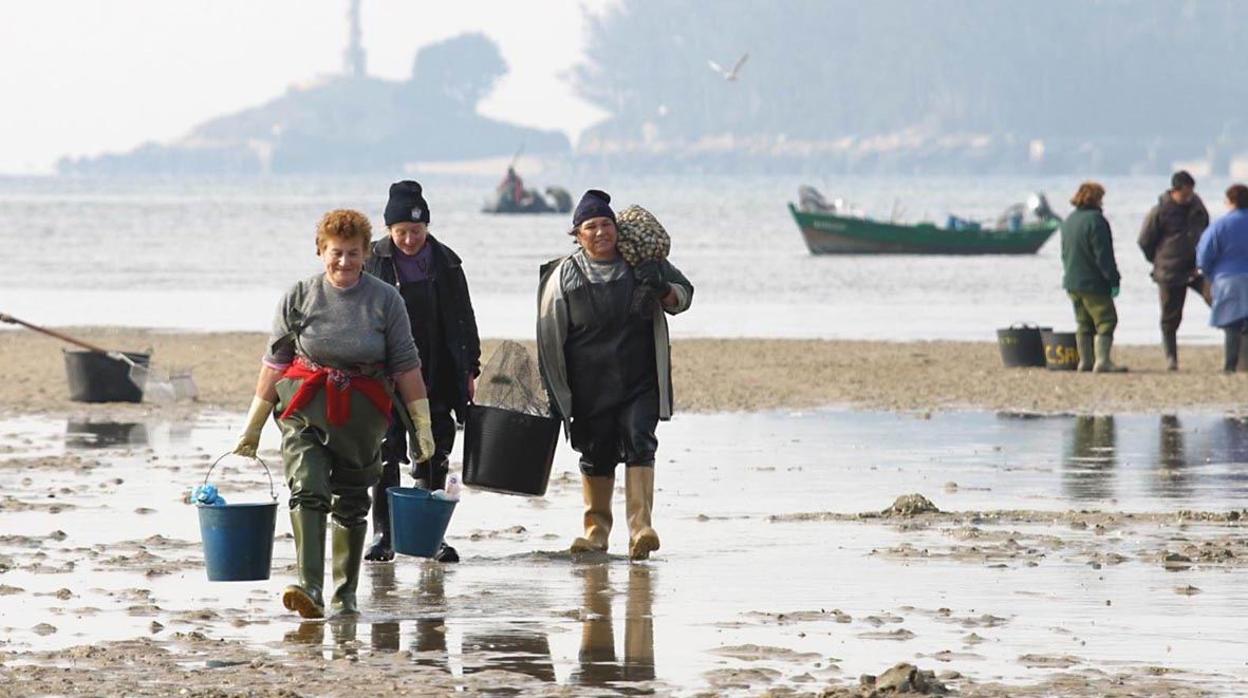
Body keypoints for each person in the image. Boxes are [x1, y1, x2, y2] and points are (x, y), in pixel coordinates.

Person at [232, 209, 435, 619]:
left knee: (352, 501)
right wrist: (253, 426)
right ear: (321, 251)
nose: (345, 262)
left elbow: (406, 366)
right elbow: (275, 363)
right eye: (336, 253)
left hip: (363, 413)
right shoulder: (299, 296)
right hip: (305, 406)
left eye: (354, 253)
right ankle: (310, 586)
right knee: (307, 488)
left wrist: (422, 426)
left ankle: (344, 595)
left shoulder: (386, 300)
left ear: (366, 254)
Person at [537, 190, 694, 560]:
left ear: (617, 229)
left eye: (606, 224)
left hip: (639, 380)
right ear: (577, 234)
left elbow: (684, 297)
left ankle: (641, 529)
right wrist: (558, 395)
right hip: (589, 386)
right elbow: (549, 337)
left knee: (641, 442)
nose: (600, 232)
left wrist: (662, 288)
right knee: (596, 454)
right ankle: (595, 533)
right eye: (591, 226)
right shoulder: (565, 276)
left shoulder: (642, 263)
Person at [363, 180, 481, 563]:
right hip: (386, 377)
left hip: (439, 372)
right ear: (388, 231)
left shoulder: (447, 262)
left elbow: (464, 319)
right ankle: (384, 535)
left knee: (436, 452)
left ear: (427, 228)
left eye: (416, 231)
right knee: (385, 452)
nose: (409, 239)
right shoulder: (373, 260)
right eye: (401, 232)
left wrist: (471, 367)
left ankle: (431, 537)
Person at [1138, 170, 1211, 370]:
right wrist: (1158, 260)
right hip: (1169, 270)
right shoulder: (1160, 211)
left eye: (1191, 194)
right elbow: (1145, 240)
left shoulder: (1198, 208)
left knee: (1218, 299)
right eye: (1185, 194)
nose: (1189, 198)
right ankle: (1171, 358)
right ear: (1175, 191)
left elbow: (1207, 231)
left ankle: (1237, 348)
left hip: (1197, 269)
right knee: (1170, 316)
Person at [1061, 181, 1126, 372]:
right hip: (1093, 283)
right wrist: (1113, 280)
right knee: (1106, 320)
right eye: (1101, 198)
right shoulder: (1096, 221)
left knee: (1083, 323)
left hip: (1072, 282)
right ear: (1096, 198)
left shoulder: (1069, 221)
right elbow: (1104, 256)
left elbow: (1064, 253)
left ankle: (1085, 361)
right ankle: (1103, 361)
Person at [1196, 184, 1248, 372]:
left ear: (1230, 201)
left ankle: (1230, 365)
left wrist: (1208, 274)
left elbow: (1204, 254)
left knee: (1231, 324)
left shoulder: (1220, 225)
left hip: (1227, 279)